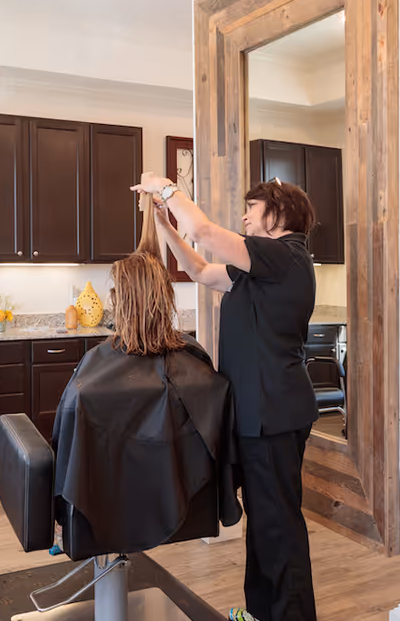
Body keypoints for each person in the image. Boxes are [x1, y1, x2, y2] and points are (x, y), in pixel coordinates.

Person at [132, 175, 319, 621]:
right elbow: (199, 269)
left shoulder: (287, 257)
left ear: (278, 215)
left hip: (274, 411)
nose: (244, 217)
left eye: (251, 209)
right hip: (259, 413)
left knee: (278, 525)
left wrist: (165, 188)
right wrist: (165, 227)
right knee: (265, 522)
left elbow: (206, 233)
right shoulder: (261, 270)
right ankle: (261, 613)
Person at [52, 249, 241, 557]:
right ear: (165, 297)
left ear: (120, 301)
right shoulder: (198, 365)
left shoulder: (91, 379)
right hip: (183, 505)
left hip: (101, 509)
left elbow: (66, 450)